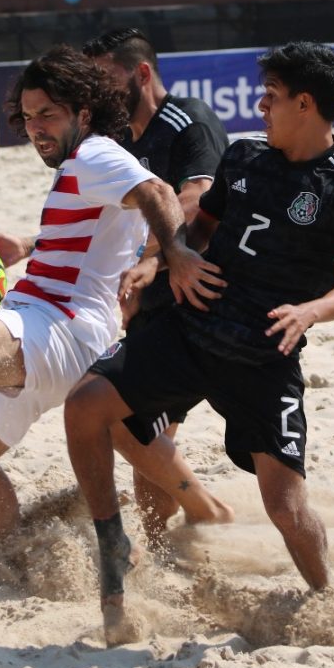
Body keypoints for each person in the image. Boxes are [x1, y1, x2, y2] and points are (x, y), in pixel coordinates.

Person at [64, 41, 334, 642]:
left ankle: (326, 597)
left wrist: (310, 311)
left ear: (306, 104)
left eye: (272, 96)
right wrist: (166, 258)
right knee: (88, 406)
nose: (260, 105)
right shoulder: (242, 157)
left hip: (264, 356)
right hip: (191, 328)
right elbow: (200, 229)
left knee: (287, 510)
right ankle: (139, 564)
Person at [0, 45, 224, 548]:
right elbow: (99, 232)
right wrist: (28, 244)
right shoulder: (81, 166)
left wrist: (176, 254)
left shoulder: (94, 154)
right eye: (29, 116)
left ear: (82, 113)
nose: (37, 127)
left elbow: (162, 195)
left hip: (64, 324)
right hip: (48, 325)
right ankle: (16, 558)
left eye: (49, 115)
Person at [82, 28, 231, 541]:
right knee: (143, 431)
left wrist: (151, 259)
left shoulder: (190, 121)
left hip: (203, 302)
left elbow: (194, 200)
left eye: (106, 77)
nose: (98, 90)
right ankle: (180, 537)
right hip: (155, 302)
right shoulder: (119, 139)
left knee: (131, 420)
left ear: (141, 73)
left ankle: (208, 515)